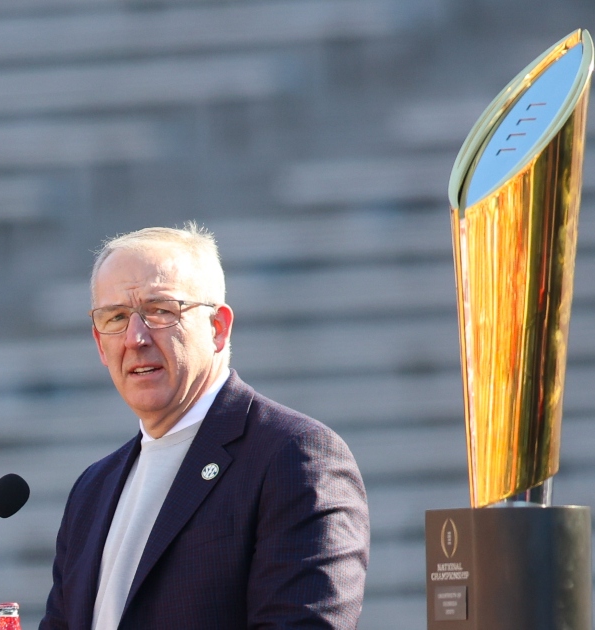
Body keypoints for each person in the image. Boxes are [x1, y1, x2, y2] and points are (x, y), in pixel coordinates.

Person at [39, 224, 370, 630]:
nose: (135, 337)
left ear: (218, 328)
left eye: (161, 310)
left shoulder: (295, 456)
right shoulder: (91, 491)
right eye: (116, 317)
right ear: (99, 344)